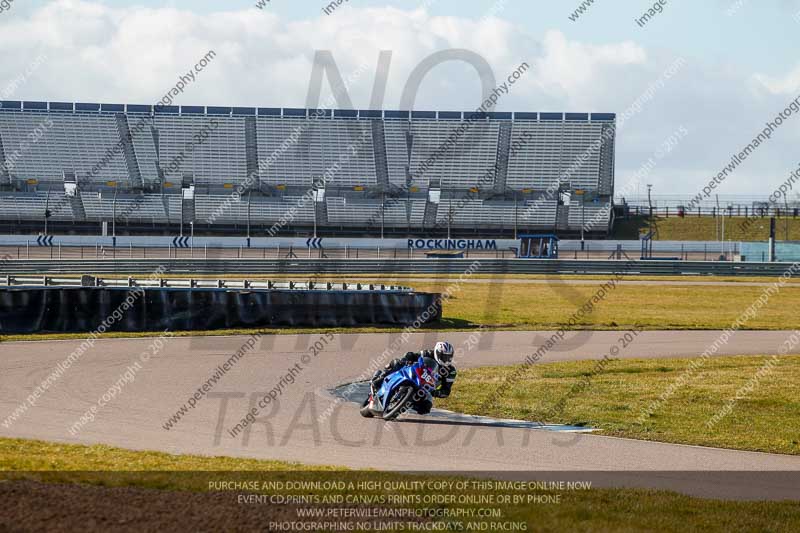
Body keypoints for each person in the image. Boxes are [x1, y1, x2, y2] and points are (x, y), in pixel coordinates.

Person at [370, 341, 457, 415]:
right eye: (444, 356)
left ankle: (407, 403)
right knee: (398, 362)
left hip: (427, 389)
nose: (447, 359)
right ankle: (380, 377)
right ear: (437, 352)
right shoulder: (428, 353)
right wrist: (408, 358)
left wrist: (436, 393)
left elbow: (446, 391)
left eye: (449, 357)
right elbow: (412, 355)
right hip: (415, 375)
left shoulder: (450, 371)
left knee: (425, 409)